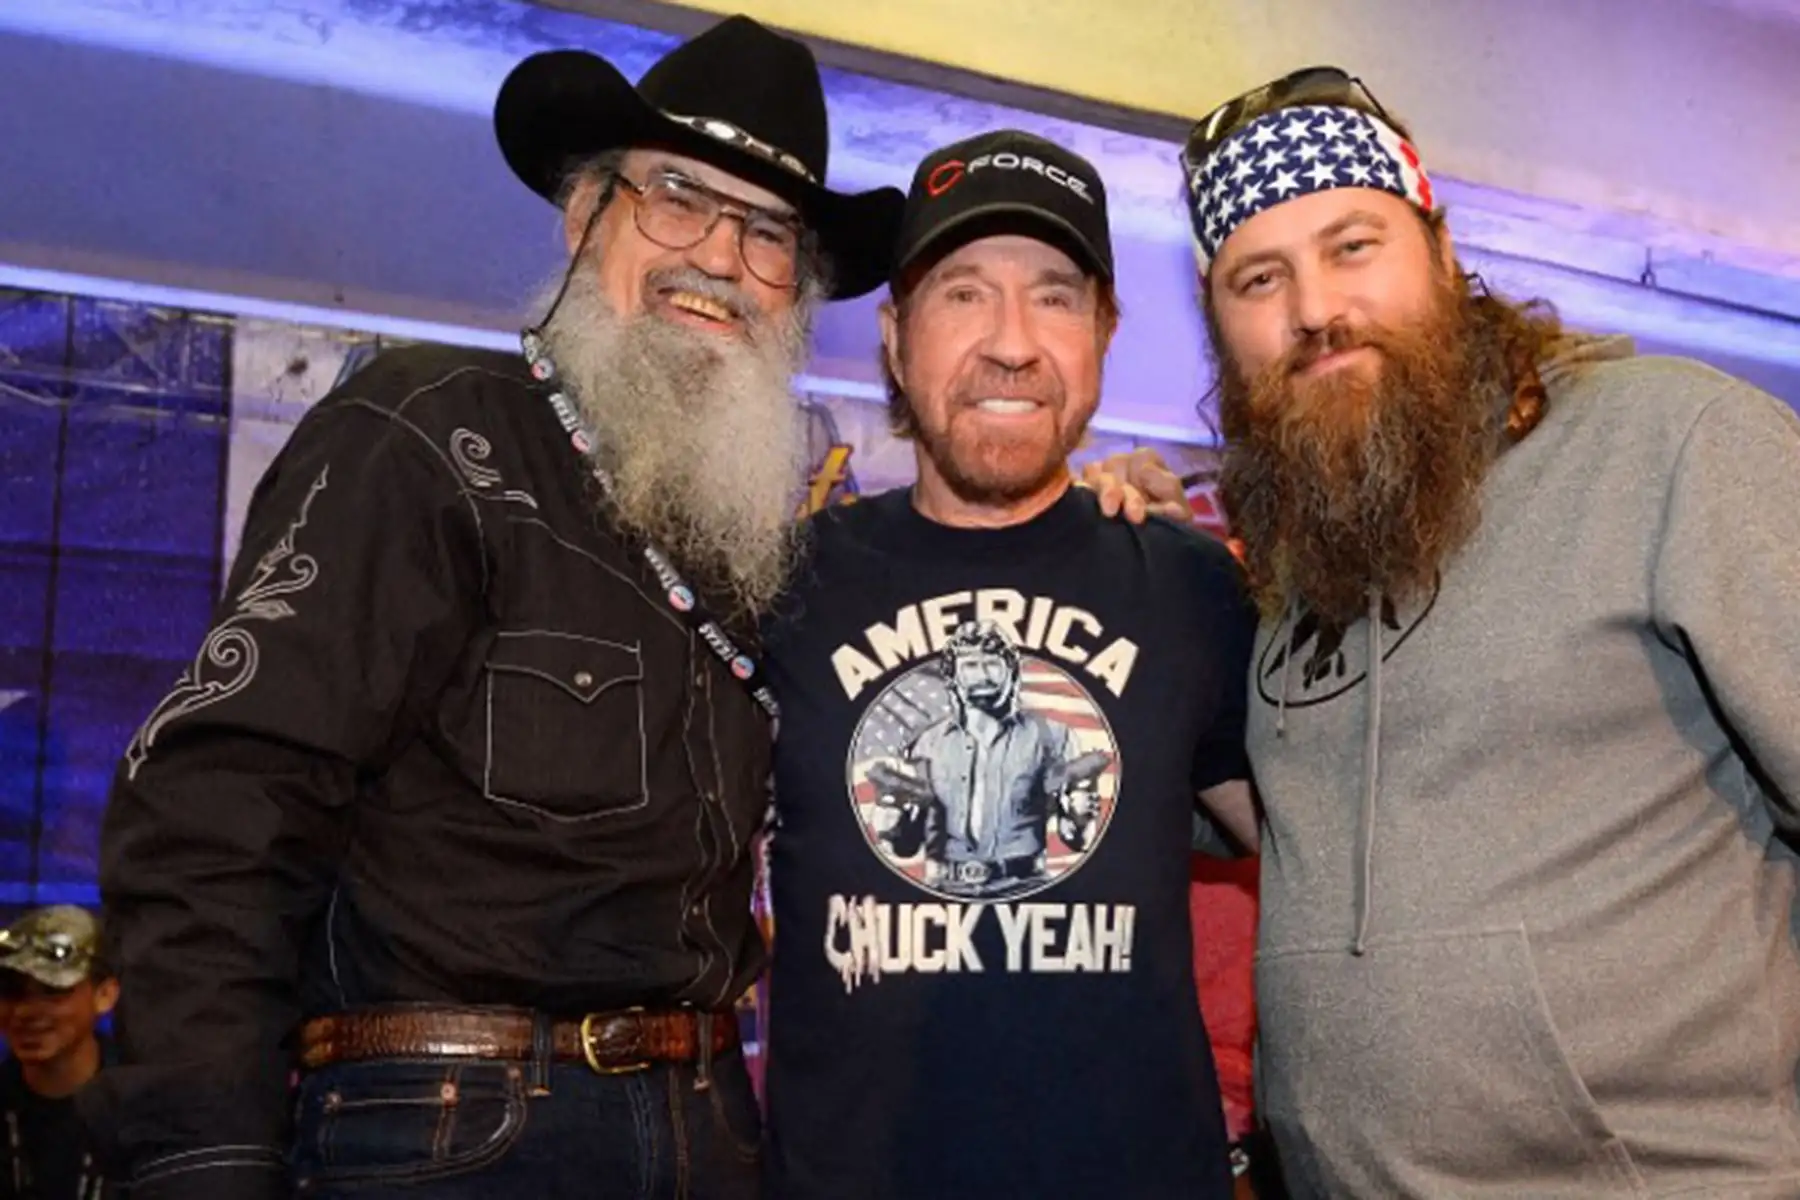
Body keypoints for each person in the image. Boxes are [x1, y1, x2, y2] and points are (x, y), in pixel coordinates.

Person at [80, 16, 906, 1199]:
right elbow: (221, 811)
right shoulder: (422, 435)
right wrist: (200, 1155)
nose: (719, 256)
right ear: (584, 217)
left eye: (769, 233)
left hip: (711, 1129)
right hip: (448, 1131)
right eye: (676, 196)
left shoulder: (749, 546)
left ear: (798, 295)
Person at [1120, 65, 1800, 1197]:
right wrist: (1113, 566)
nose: (1314, 309)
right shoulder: (1303, 562)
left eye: (1353, 245)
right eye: (1259, 277)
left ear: (1439, 250)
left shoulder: (1678, 445)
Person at [758, 128, 1258, 1200]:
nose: (1013, 342)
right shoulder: (784, 587)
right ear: (895, 338)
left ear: (1105, 333)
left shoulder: (1188, 587)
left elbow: (1339, 847)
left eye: (1056, 297)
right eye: (963, 294)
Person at [0, 907, 115, 1200]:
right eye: (11, 992)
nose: (26, 1012)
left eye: (52, 991)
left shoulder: (148, 1111)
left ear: (105, 995)